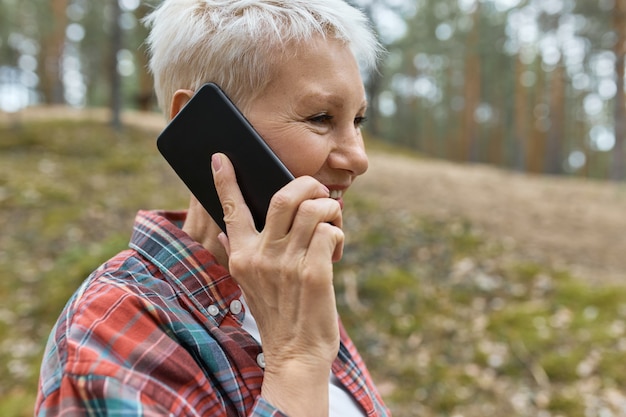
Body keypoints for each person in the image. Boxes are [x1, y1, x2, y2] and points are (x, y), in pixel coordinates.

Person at [35, 0, 390, 415]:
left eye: (358, 120)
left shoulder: (290, 288)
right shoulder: (109, 331)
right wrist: (296, 362)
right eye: (321, 117)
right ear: (199, 124)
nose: (358, 158)